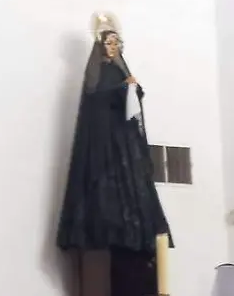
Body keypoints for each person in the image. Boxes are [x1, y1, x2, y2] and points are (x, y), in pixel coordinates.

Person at [55, 18, 172, 255]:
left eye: (116, 43)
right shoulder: (97, 71)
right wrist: (121, 89)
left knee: (133, 179)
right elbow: (95, 97)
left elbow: (133, 98)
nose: (113, 47)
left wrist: (134, 88)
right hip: (104, 137)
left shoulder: (120, 69)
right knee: (105, 182)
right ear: (101, 46)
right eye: (109, 43)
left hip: (124, 137)